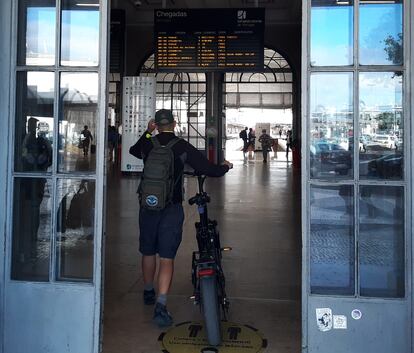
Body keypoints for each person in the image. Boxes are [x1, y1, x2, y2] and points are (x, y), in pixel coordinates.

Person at [129, 109, 233, 328]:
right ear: (174, 124)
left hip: (147, 206)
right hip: (171, 208)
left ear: (155, 124)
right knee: (166, 257)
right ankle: (161, 304)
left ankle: (148, 290)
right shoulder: (182, 147)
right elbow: (209, 170)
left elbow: (133, 151)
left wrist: (148, 134)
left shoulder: (148, 144)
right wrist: (225, 167)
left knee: (148, 251)